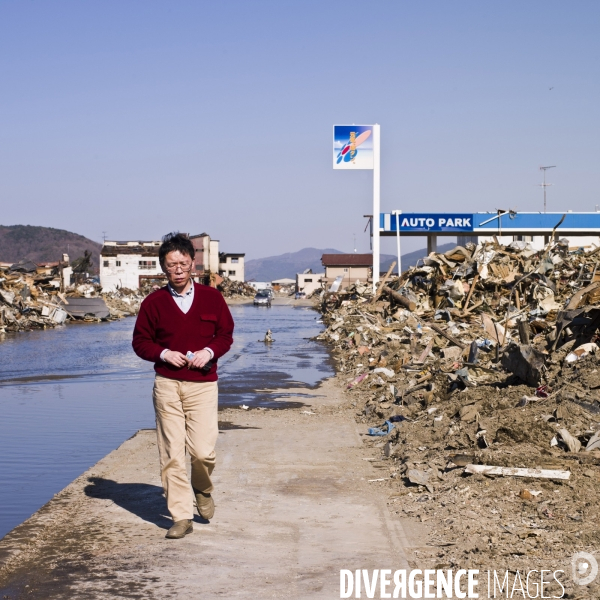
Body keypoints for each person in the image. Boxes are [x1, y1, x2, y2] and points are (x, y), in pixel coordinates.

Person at [132, 232, 234, 539]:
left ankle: (202, 486)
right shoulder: (154, 302)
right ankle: (180, 516)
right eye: (171, 264)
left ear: (192, 263)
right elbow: (140, 342)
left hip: (203, 385)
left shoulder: (213, 298)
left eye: (183, 263)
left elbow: (225, 335)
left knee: (202, 452)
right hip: (167, 385)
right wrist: (163, 353)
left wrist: (209, 351)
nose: (177, 269)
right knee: (172, 454)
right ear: (164, 267)